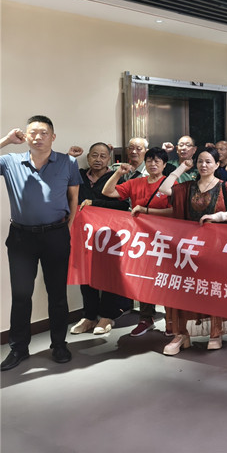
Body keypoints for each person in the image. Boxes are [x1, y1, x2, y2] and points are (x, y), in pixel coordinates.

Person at [0, 116, 81, 371]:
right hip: (21, 237)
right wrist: (6, 140)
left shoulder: (68, 162)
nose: (38, 137)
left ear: (53, 137)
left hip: (55, 235)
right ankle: (18, 348)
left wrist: (67, 229)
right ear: (25, 136)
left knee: (57, 294)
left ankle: (59, 344)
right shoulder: (10, 161)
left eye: (44, 132)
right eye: (33, 132)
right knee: (21, 295)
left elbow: (74, 199)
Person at [157, 147, 227, 354]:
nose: (204, 165)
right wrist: (180, 169)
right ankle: (181, 334)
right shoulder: (187, 186)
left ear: (217, 164)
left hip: (215, 248)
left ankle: (215, 332)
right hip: (187, 247)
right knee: (183, 290)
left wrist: (216, 217)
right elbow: (165, 189)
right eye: (200, 161)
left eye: (208, 161)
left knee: (212, 289)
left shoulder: (223, 186)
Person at [102, 147, 173, 336]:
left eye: (157, 161)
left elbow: (175, 211)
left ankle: (171, 319)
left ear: (164, 165)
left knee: (166, 279)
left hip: (165, 238)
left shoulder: (169, 184)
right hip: (140, 238)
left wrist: (146, 211)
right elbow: (107, 191)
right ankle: (146, 318)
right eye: (149, 160)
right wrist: (118, 173)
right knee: (144, 278)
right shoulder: (135, 183)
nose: (153, 164)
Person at [71, 142, 132, 336]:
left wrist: (95, 203)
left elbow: (123, 206)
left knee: (108, 275)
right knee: (85, 274)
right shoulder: (79, 175)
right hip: (84, 234)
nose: (98, 159)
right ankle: (89, 316)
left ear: (109, 159)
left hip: (109, 235)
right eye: (94, 155)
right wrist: (70, 157)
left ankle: (107, 316)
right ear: (88, 157)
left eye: (103, 156)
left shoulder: (116, 178)